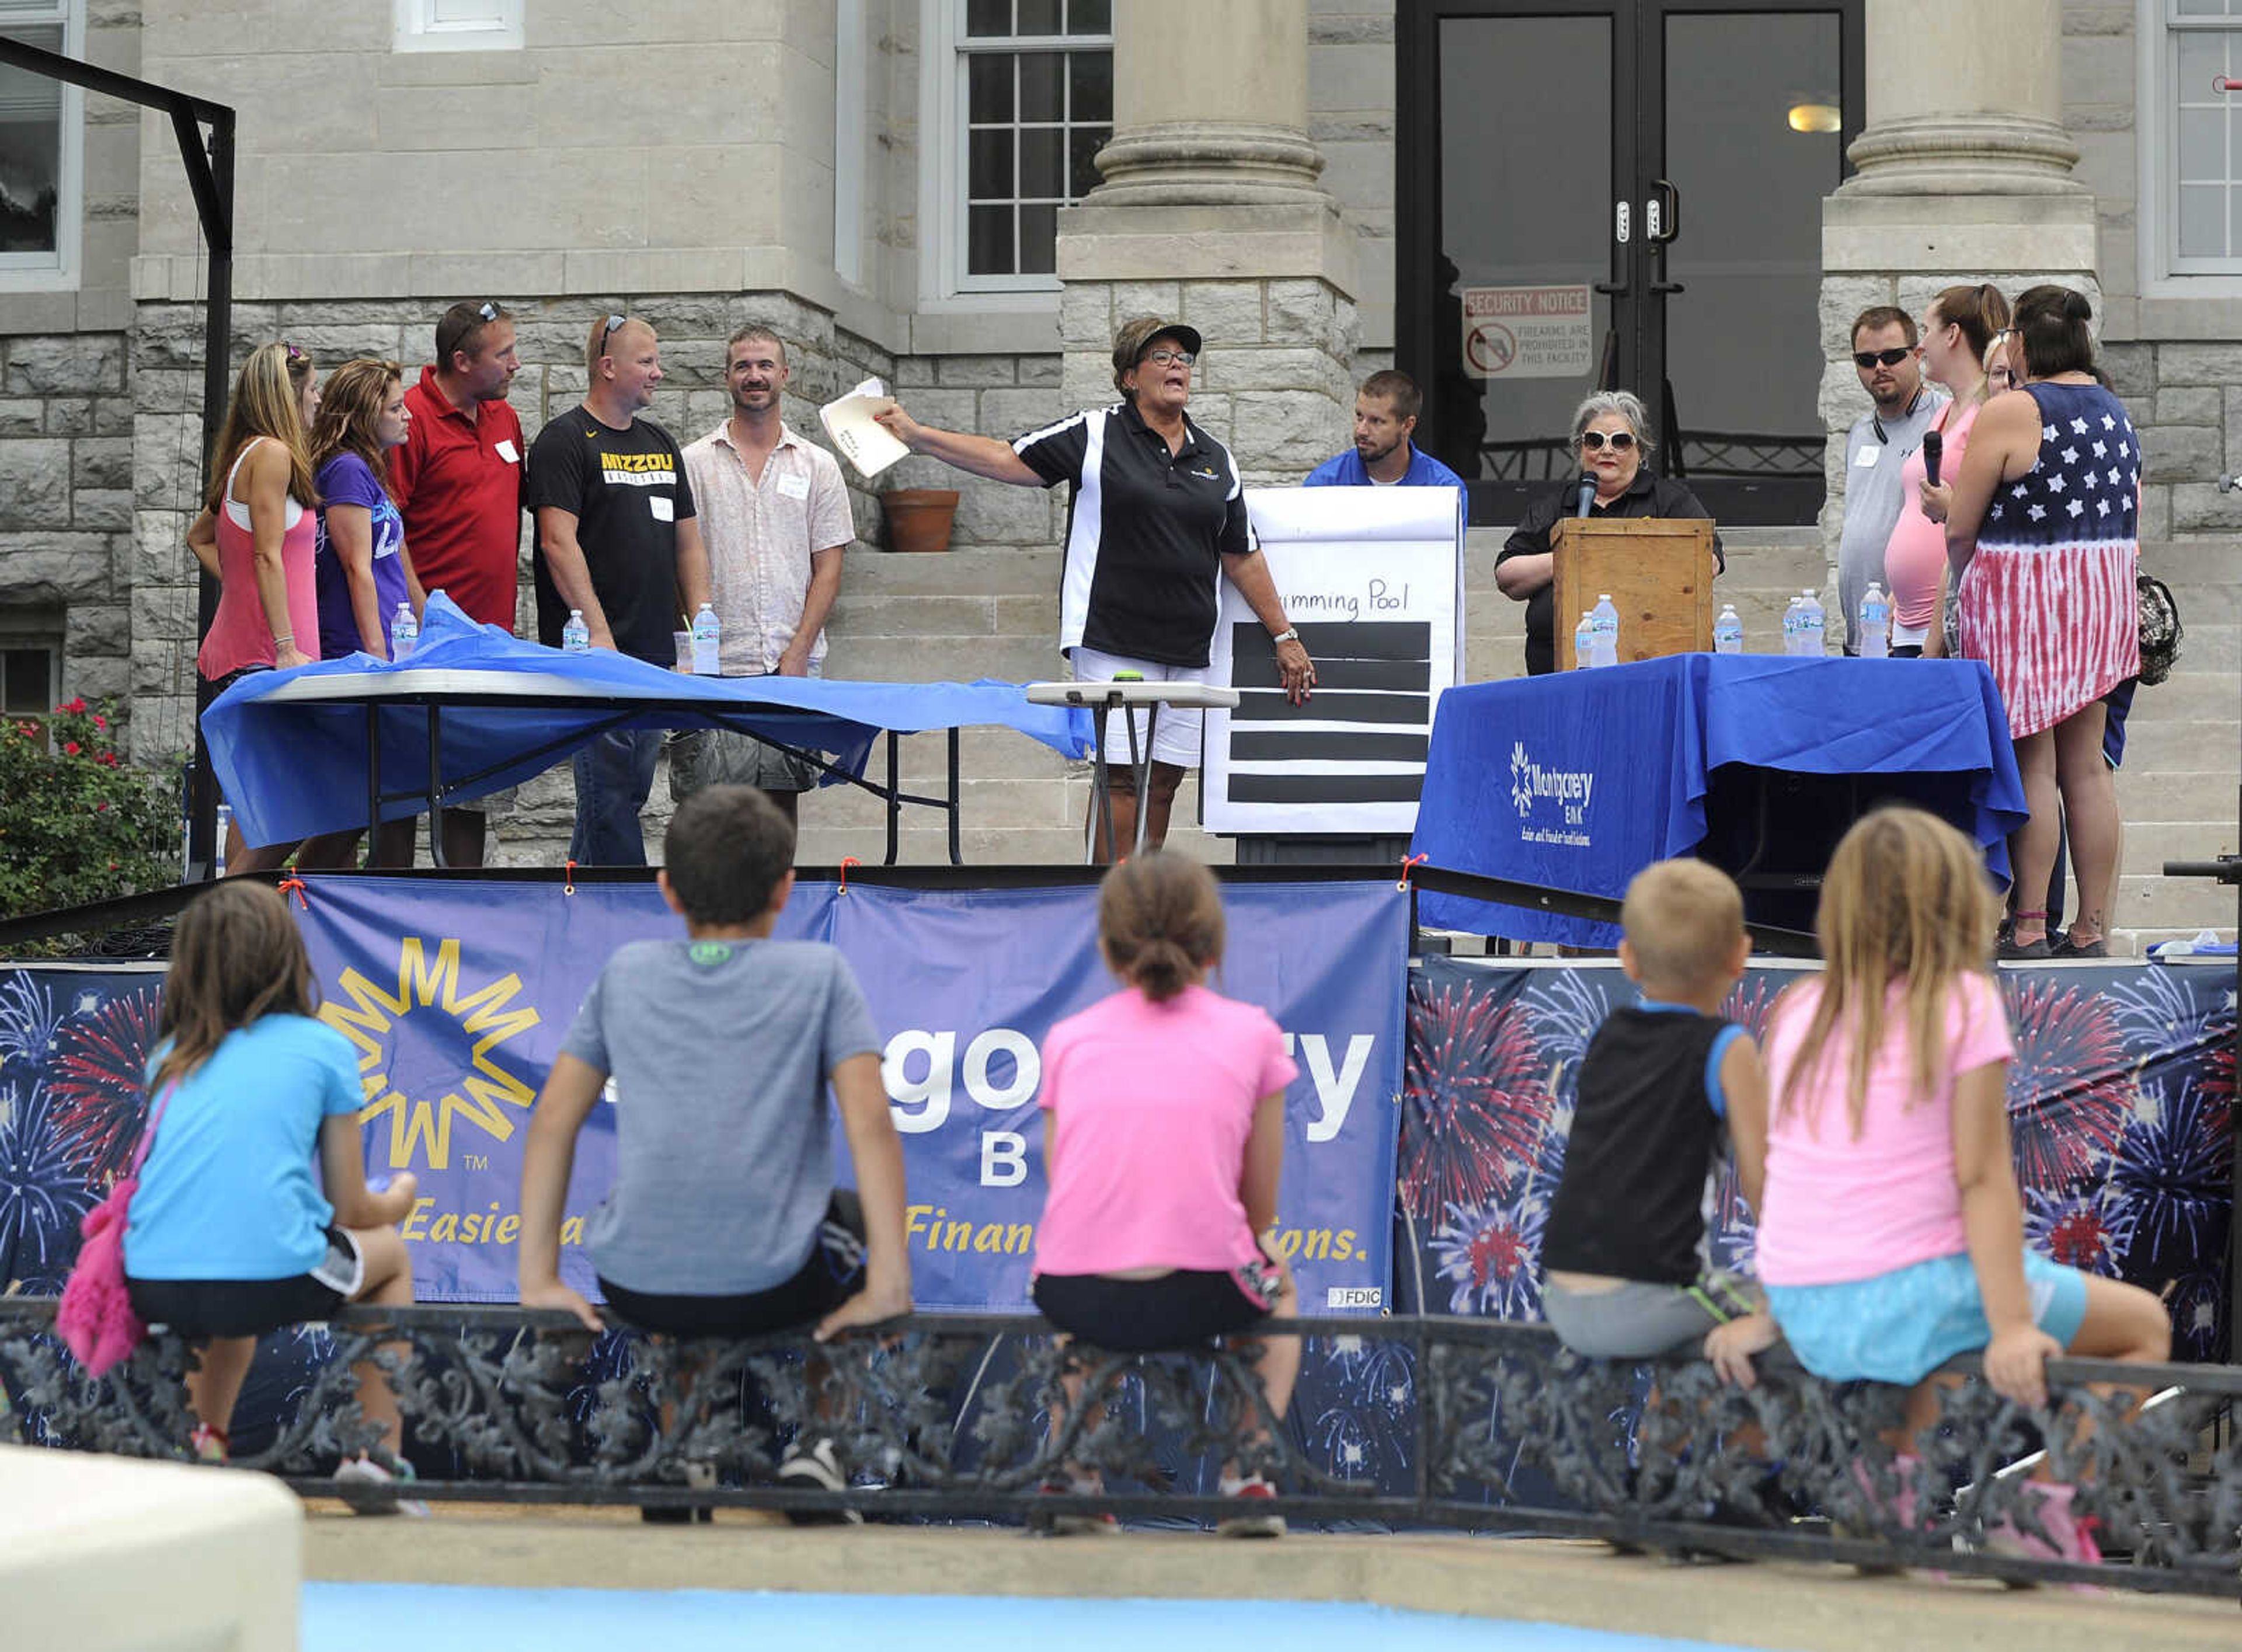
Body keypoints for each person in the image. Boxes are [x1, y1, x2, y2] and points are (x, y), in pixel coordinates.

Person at [1740, 810, 2169, 1555]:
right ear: (1958, 904)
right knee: (2141, 1329)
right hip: (1910, 1296)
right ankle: (2041, 1507)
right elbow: (1980, 1176)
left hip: (1806, 1304)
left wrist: (1770, 1307)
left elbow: (1784, 1174)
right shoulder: (1963, 1004)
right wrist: (2012, 1326)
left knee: (1928, 1327)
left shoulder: (1795, 1009)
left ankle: (1888, 1499)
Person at [516, 785, 911, 1499]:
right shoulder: (822, 975)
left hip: (638, 1280)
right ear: (786, 889)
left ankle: (686, 1440)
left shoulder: (626, 972)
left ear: (667, 890)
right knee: (847, 1221)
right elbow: (871, 1125)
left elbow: (552, 1121)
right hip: (778, 1282)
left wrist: (536, 1278)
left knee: (668, 1219)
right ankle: (822, 1443)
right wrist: (890, 1281)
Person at [871, 317, 1315, 859]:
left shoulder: (1216, 457)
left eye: (1185, 358)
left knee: (1167, 782)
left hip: (1191, 647)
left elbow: (1240, 553)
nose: (1178, 366)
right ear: (1130, 377)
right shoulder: (1095, 432)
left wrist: (1285, 635)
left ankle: (1145, 903)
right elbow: (1008, 458)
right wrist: (918, 438)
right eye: (1162, 356)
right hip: (1113, 636)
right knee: (1122, 779)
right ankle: (1105, 904)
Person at [121, 880, 421, 1503]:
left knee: (232, 1292)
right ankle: (378, 1455)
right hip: (268, 1276)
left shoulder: (171, 1056)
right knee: (388, 1255)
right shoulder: (324, 1049)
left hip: (152, 1277)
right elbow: (351, 1208)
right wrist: (400, 1197)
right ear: (289, 957)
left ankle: (205, 1444)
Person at [1030, 851, 1301, 1537]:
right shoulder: (1254, 1034)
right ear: (1215, 945)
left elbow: (1067, 1183)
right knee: (1282, 1281)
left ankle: (1075, 1467)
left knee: (1075, 1255)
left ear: (1107, 948)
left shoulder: (1067, 1040)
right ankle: (1248, 1470)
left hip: (1079, 1292)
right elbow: (1258, 1207)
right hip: (1205, 1289)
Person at [1934, 286, 2140, 960]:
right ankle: (2093, 926)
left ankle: (2027, 923)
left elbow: (1962, 526)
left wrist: (1957, 584)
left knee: (2033, 766)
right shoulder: (2116, 412)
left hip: (2028, 604)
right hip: (2100, 602)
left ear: (2022, 341)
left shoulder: (2014, 410)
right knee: (2089, 770)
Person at [1540, 859, 1774, 1368]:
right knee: (1796, 1318)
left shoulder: (1608, 1036)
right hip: (1648, 1303)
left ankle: (1660, 1442)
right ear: (1741, 957)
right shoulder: (1728, 1048)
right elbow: (1764, 1183)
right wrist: (1780, 1306)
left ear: (1628, 958)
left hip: (1558, 1296)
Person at [528, 314, 714, 865]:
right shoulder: (563, 440)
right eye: (647, 362)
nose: (659, 373)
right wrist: (601, 637)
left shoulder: (659, 443)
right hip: (596, 659)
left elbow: (688, 543)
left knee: (623, 796)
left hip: (655, 656)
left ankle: (576, 908)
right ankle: (627, 909)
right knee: (608, 797)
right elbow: (557, 543)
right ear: (608, 368)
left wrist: (702, 626)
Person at [673, 324, 855, 826]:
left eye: (765, 366)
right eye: (743, 366)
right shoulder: (691, 464)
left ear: (785, 376)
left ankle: (777, 906)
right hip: (715, 668)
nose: (755, 376)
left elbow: (829, 568)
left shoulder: (818, 466)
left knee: (778, 813)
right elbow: (675, 561)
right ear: (727, 378)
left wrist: (798, 650)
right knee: (707, 816)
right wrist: (694, 654)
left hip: (788, 665)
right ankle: (709, 907)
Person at [389, 300, 528, 867]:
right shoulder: (410, 418)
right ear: (462, 360)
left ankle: (460, 911)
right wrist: (424, 617)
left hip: (487, 644)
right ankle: (389, 918)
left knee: (472, 792)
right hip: (418, 644)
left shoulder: (506, 418)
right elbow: (384, 529)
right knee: (399, 789)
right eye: (504, 354)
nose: (516, 364)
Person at [186, 342, 323, 876]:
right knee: (285, 806)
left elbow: (202, 538)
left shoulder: (248, 453)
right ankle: (229, 921)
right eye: (312, 390)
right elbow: (265, 553)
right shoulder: (271, 454)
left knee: (255, 811)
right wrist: (286, 646)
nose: (318, 400)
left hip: (260, 654)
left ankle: (233, 931)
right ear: (289, 396)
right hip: (264, 658)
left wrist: (245, 590)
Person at [297, 358, 424, 872]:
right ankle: (293, 895)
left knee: (392, 792)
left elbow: (391, 563)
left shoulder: (366, 468)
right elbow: (356, 567)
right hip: (356, 652)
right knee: (361, 798)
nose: (407, 416)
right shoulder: (347, 469)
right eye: (396, 407)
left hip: (388, 648)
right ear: (365, 414)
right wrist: (376, 656)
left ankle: (365, 903)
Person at [1493, 390, 1721, 675]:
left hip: (1657, 666)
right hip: (1560, 673)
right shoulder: (1555, 505)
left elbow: (1708, 562)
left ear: (1642, 450)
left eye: (1621, 441)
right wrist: (1571, 556)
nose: (1607, 450)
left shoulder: (1671, 500)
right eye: (1595, 440)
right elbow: (1507, 575)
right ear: (1580, 449)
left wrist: (1614, 555)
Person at [1885, 286, 2007, 659]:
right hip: (1909, 621)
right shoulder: (1944, 411)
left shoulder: (1988, 412)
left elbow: (1982, 520)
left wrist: (1936, 636)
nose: (1920, 345)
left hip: (1948, 624)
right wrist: (1896, 594)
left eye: (1927, 330)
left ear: (1952, 334)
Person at [1834, 307, 1946, 653]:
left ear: (1917, 355)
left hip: (1911, 632)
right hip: (1860, 632)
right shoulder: (1860, 432)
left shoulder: (1944, 421)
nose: (1880, 367)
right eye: (1867, 360)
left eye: (1892, 356)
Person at [1303, 370, 1467, 489]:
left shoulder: (1444, 489)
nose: (1361, 431)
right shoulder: (1324, 484)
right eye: (1360, 416)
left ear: (1408, 425)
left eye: (1376, 421)